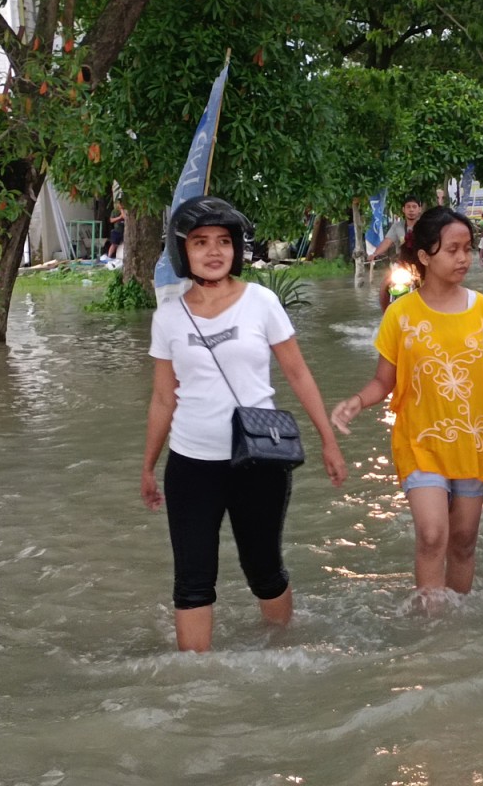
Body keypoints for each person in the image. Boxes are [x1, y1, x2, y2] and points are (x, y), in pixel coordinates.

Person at [141, 196, 347, 652]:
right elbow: (162, 398)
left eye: (223, 241)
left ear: (237, 248)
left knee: (263, 569)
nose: (213, 251)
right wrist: (148, 466)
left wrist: (328, 440)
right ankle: (195, 681)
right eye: (200, 242)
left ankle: (281, 652)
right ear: (182, 250)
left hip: (259, 459)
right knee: (192, 579)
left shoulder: (262, 302)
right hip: (191, 462)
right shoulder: (169, 316)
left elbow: (298, 373)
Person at [331, 207, 483, 601]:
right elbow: (383, 381)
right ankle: (431, 619)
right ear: (424, 256)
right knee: (433, 534)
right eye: (452, 250)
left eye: (467, 249)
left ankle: (456, 620)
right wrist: (357, 401)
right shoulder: (400, 314)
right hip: (420, 441)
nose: (463, 258)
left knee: (464, 540)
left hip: (474, 441)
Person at [373, 195, 424, 311]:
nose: (411, 210)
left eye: (414, 207)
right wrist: (375, 254)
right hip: (402, 264)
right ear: (403, 209)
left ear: (419, 209)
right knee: (385, 283)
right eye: (408, 207)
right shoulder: (397, 226)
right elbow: (387, 241)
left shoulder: (425, 226)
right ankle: (386, 312)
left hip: (421, 264)